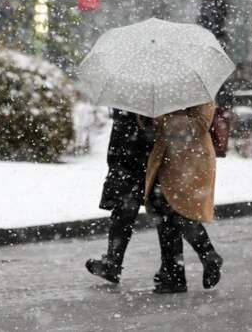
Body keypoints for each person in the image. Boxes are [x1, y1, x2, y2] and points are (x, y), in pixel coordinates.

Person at [145, 103, 223, 294]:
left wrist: (164, 120)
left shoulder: (198, 91)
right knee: (164, 213)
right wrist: (148, 117)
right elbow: (150, 125)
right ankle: (175, 273)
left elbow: (200, 125)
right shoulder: (165, 90)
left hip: (191, 160)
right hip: (167, 158)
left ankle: (195, 262)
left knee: (179, 212)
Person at [85, 109, 155, 283]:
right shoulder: (139, 100)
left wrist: (116, 162)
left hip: (131, 160)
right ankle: (178, 266)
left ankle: (113, 263)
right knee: (165, 216)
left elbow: (123, 132)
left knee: (123, 215)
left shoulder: (131, 100)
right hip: (141, 158)